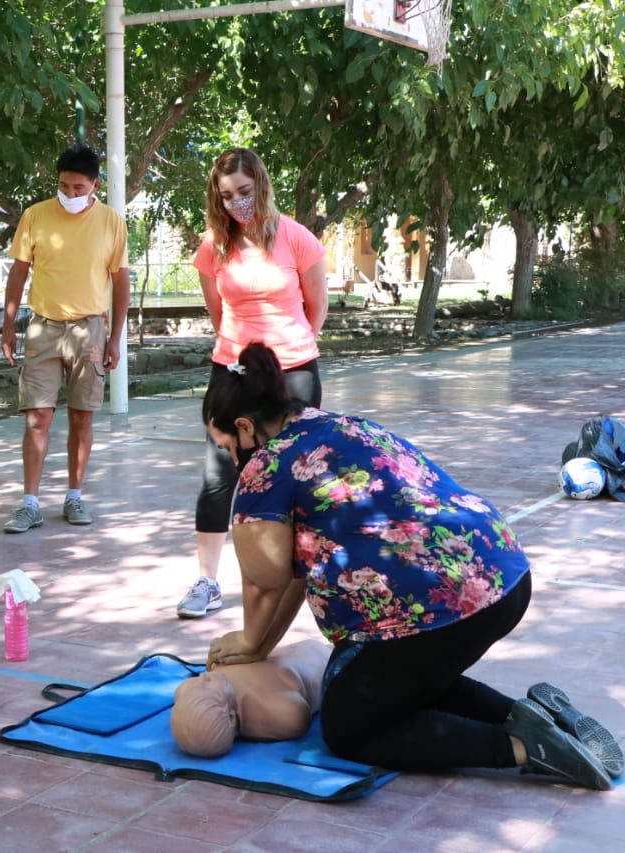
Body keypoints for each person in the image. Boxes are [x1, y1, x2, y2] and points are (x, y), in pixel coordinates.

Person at [203, 342, 620, 790]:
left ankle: (525, 748)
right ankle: (540, 716)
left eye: (227, 446)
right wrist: (258, 642)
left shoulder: (264, 466)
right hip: (503, 574)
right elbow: (294, 576)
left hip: (439, 605)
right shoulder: (339, 424)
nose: (230, 459)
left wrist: (248, 638)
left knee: (349, 725)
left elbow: (266, 578)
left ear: (245, 427)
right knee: (392, 676)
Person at [177, 147, 329, 619]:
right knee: (219, 476)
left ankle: (300, 581)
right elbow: (218, 312)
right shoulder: (213, 247)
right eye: (226, 196)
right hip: (233, 369)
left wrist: (287, 351)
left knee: (296, 477)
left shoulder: (298, 239)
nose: (237, 203)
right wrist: (239, 356)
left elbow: (316, 307)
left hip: (292, 370)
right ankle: (207, 581)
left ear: (261, 185)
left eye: (244, 192)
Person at [0, 143, 129, 533]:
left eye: (78, 187)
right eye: (63, 185)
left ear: (95, 185)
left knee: (82, 416)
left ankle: (74, 496)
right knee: (37, 417)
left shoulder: (111, 222)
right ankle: (30, 504)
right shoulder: (35, 216)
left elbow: (119, 280)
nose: (69, 194)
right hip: (43, 328)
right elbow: (19, 272)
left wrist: (114, 339)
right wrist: (8, 326)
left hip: (89, 329)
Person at [171, 640, 328, 758]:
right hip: (319, 654)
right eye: (207, 688)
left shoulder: (186, 689)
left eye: (196, 689)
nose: (202, 677)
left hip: (282, 642)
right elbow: (299, 718)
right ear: (231, 715)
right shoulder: (283, 713)